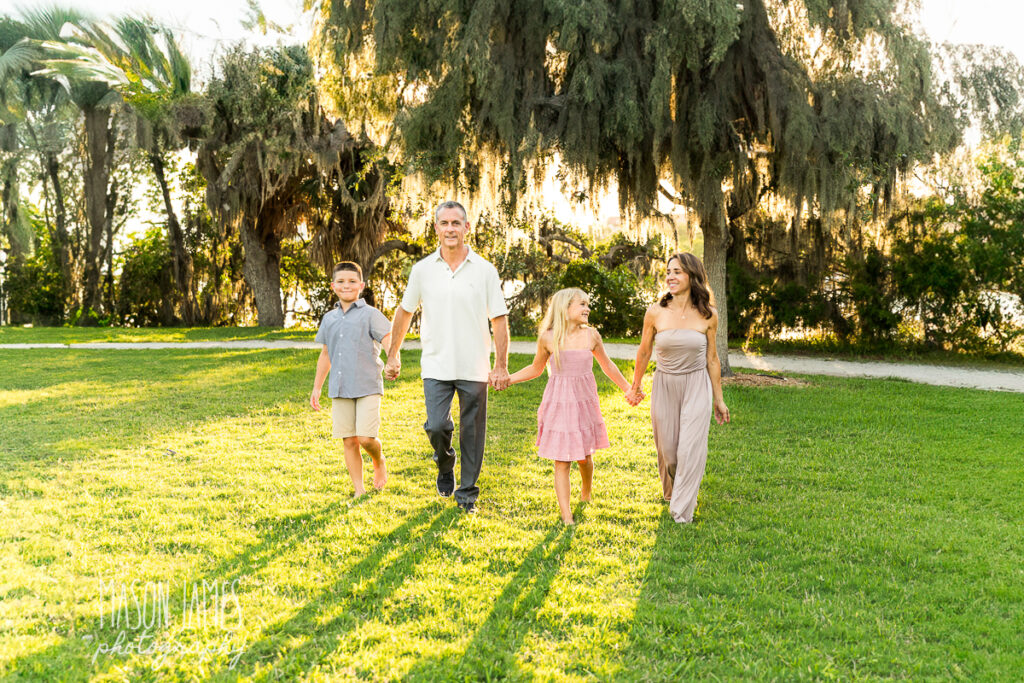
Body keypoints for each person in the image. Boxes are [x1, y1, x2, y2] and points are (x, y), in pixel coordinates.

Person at [383, 201, 510, 513]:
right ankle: (444, 463)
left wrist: (501, 365)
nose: (451, 228)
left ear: (467, 228)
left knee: (473, 433)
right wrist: (393, 354)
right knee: (438, 426)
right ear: (436, 228)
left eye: (457, 223)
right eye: (444, 223)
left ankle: (467, 494)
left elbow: (499, 320)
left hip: (475, 366)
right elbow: (405, 311)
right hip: (436, 365)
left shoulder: (485, 270)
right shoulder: (422, 270)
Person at [509, 288, 635, 525]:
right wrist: (509, 379)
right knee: (562, 460)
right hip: (559, 403)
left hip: (584, 402)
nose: (587, 308)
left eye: (588, 304)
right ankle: (566, 515)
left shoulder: (592, 336)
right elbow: (536, 369)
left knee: (585, 457)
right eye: (582, 304)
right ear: (565, 309)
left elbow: (608, 366)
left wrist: (628, 389)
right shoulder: (548, 338)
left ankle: (586, 491)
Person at [628, 253, 730, 524]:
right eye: (668, 272)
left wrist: (719, 400)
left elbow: (712, 359)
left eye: (678, 272)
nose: (670, 277)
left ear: (692, 277)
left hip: (697, 385)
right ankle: (673, 492)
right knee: (670, 452)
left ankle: (682, 510)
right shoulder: (655, 312)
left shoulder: (709, 315)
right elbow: (644, 352)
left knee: (690, 449)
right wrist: (635, 385)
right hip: (665, 384)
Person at [310, 261, 392, 497]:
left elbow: (387, 338)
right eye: (342, 281)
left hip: (367, 386)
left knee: (366, 438)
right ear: (333, 286)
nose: (347, 285)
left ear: (362, 285)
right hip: (340, 387)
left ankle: (378, 460)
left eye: (352, 281)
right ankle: (359, 490)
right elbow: (326, 354)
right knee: (349, 441)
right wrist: (317, 388)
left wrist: (393, 359)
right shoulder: (329, 319)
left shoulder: (371, 315)